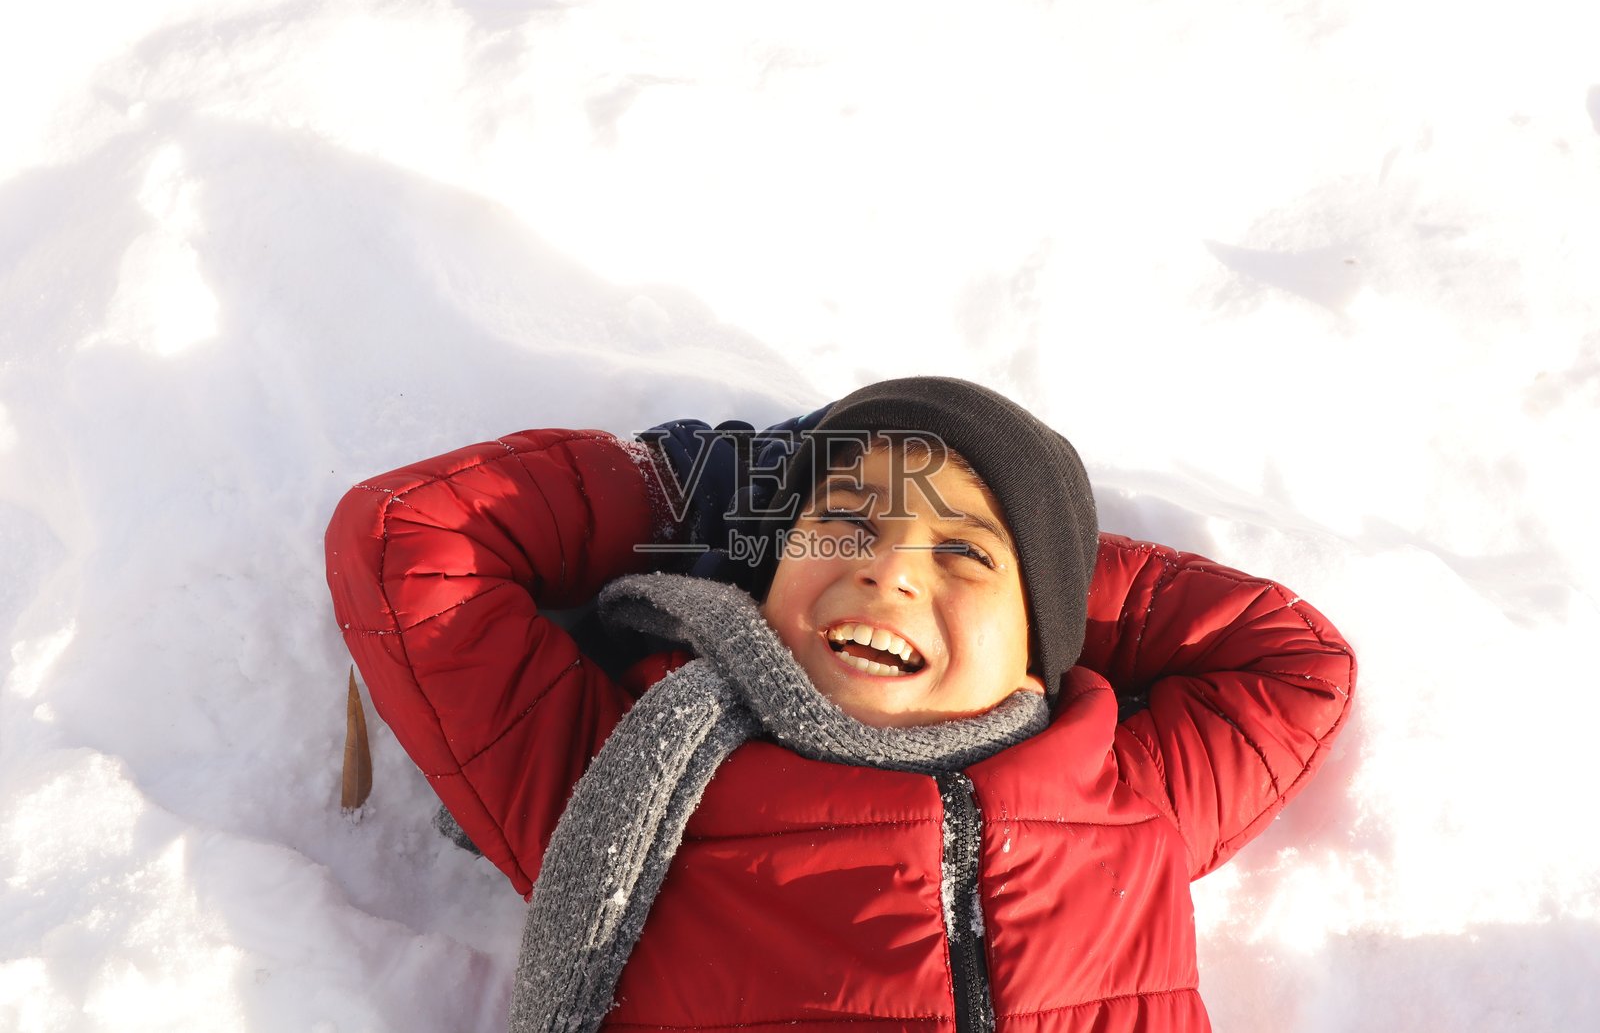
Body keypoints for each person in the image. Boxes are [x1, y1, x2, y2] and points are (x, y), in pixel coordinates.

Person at [324, 376, 1355, 1033]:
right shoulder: (627, 783)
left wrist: (1057, 568)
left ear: (1041, 646)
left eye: (959, 552)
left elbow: (1290, 662)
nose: (887, 572)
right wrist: (697, 497)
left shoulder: (1126, 790)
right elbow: (412, 540)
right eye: (843, 526)